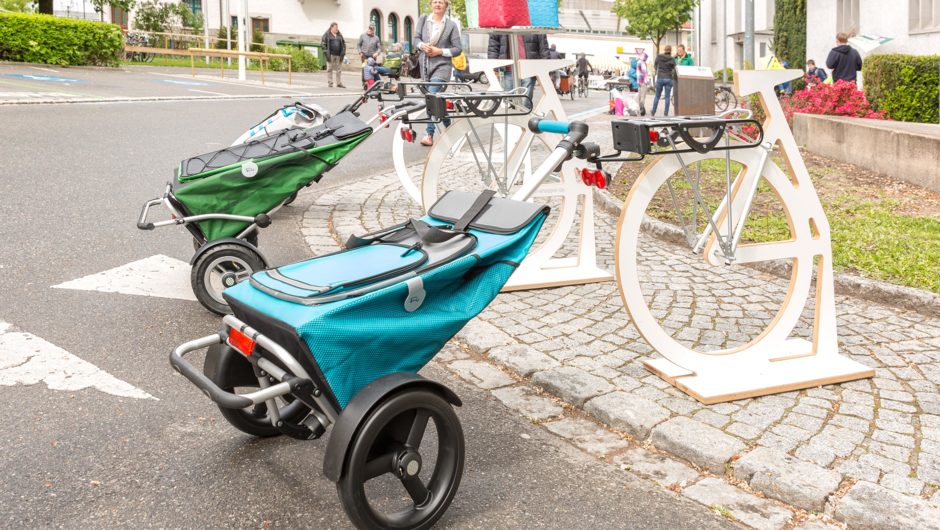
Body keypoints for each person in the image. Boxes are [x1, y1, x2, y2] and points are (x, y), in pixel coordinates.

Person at [414, 0, 462, 146]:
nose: (437, 4)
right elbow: (416, 39)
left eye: (440, 2)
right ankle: (450, 129)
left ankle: (429, 134)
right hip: (425, 66)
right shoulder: (423, 19)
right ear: (431, 4)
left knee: (432, 96)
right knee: (437, 101)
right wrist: (423, 45)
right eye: (434, 1)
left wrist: (439, 51)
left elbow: (457, 49)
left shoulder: (451, 25)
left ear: (445, 5)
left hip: (443, 67)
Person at [487, 33, 550, 98]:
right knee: (508, 100)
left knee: (525, 100)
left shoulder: (534, 23)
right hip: (508, 68)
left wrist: (545, 68)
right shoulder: (501, 23)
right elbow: (493, 45)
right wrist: (493, 65)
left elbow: (543, 46)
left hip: (528, 68)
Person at [651, 45, 676, 116]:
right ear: (670, 50)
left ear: (664, 49)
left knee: (657, 96)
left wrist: (657, 70)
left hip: (660, 78)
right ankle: (666, 113)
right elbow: (675, 68)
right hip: (668, 78)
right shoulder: (672, 58)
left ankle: (653, 111)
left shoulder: (659, 56)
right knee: (667, 96)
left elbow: (655, 65)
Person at [321, 22, 346, 89]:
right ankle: (330, 82)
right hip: (330, 54)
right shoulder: (327, 34)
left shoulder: (339, 35)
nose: (337, 29)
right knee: (329, 69)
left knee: (339, 69)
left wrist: (343, 52)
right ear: (331, 28)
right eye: (335, 27)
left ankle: (339, 83)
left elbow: (343, 43)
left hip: (339, 55)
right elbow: (323, 44)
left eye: (337, 27)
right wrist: (326, 52)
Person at [635, 51, 650, 116]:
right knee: (643, 96)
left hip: (639, 81)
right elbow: (645, 73)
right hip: (643, 81)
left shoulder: (638, 62)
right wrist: (647, 82)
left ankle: (639, 109)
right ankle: (641, 109)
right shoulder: (643, 63)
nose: (646, 59)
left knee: (639, 95)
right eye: (646, 58)